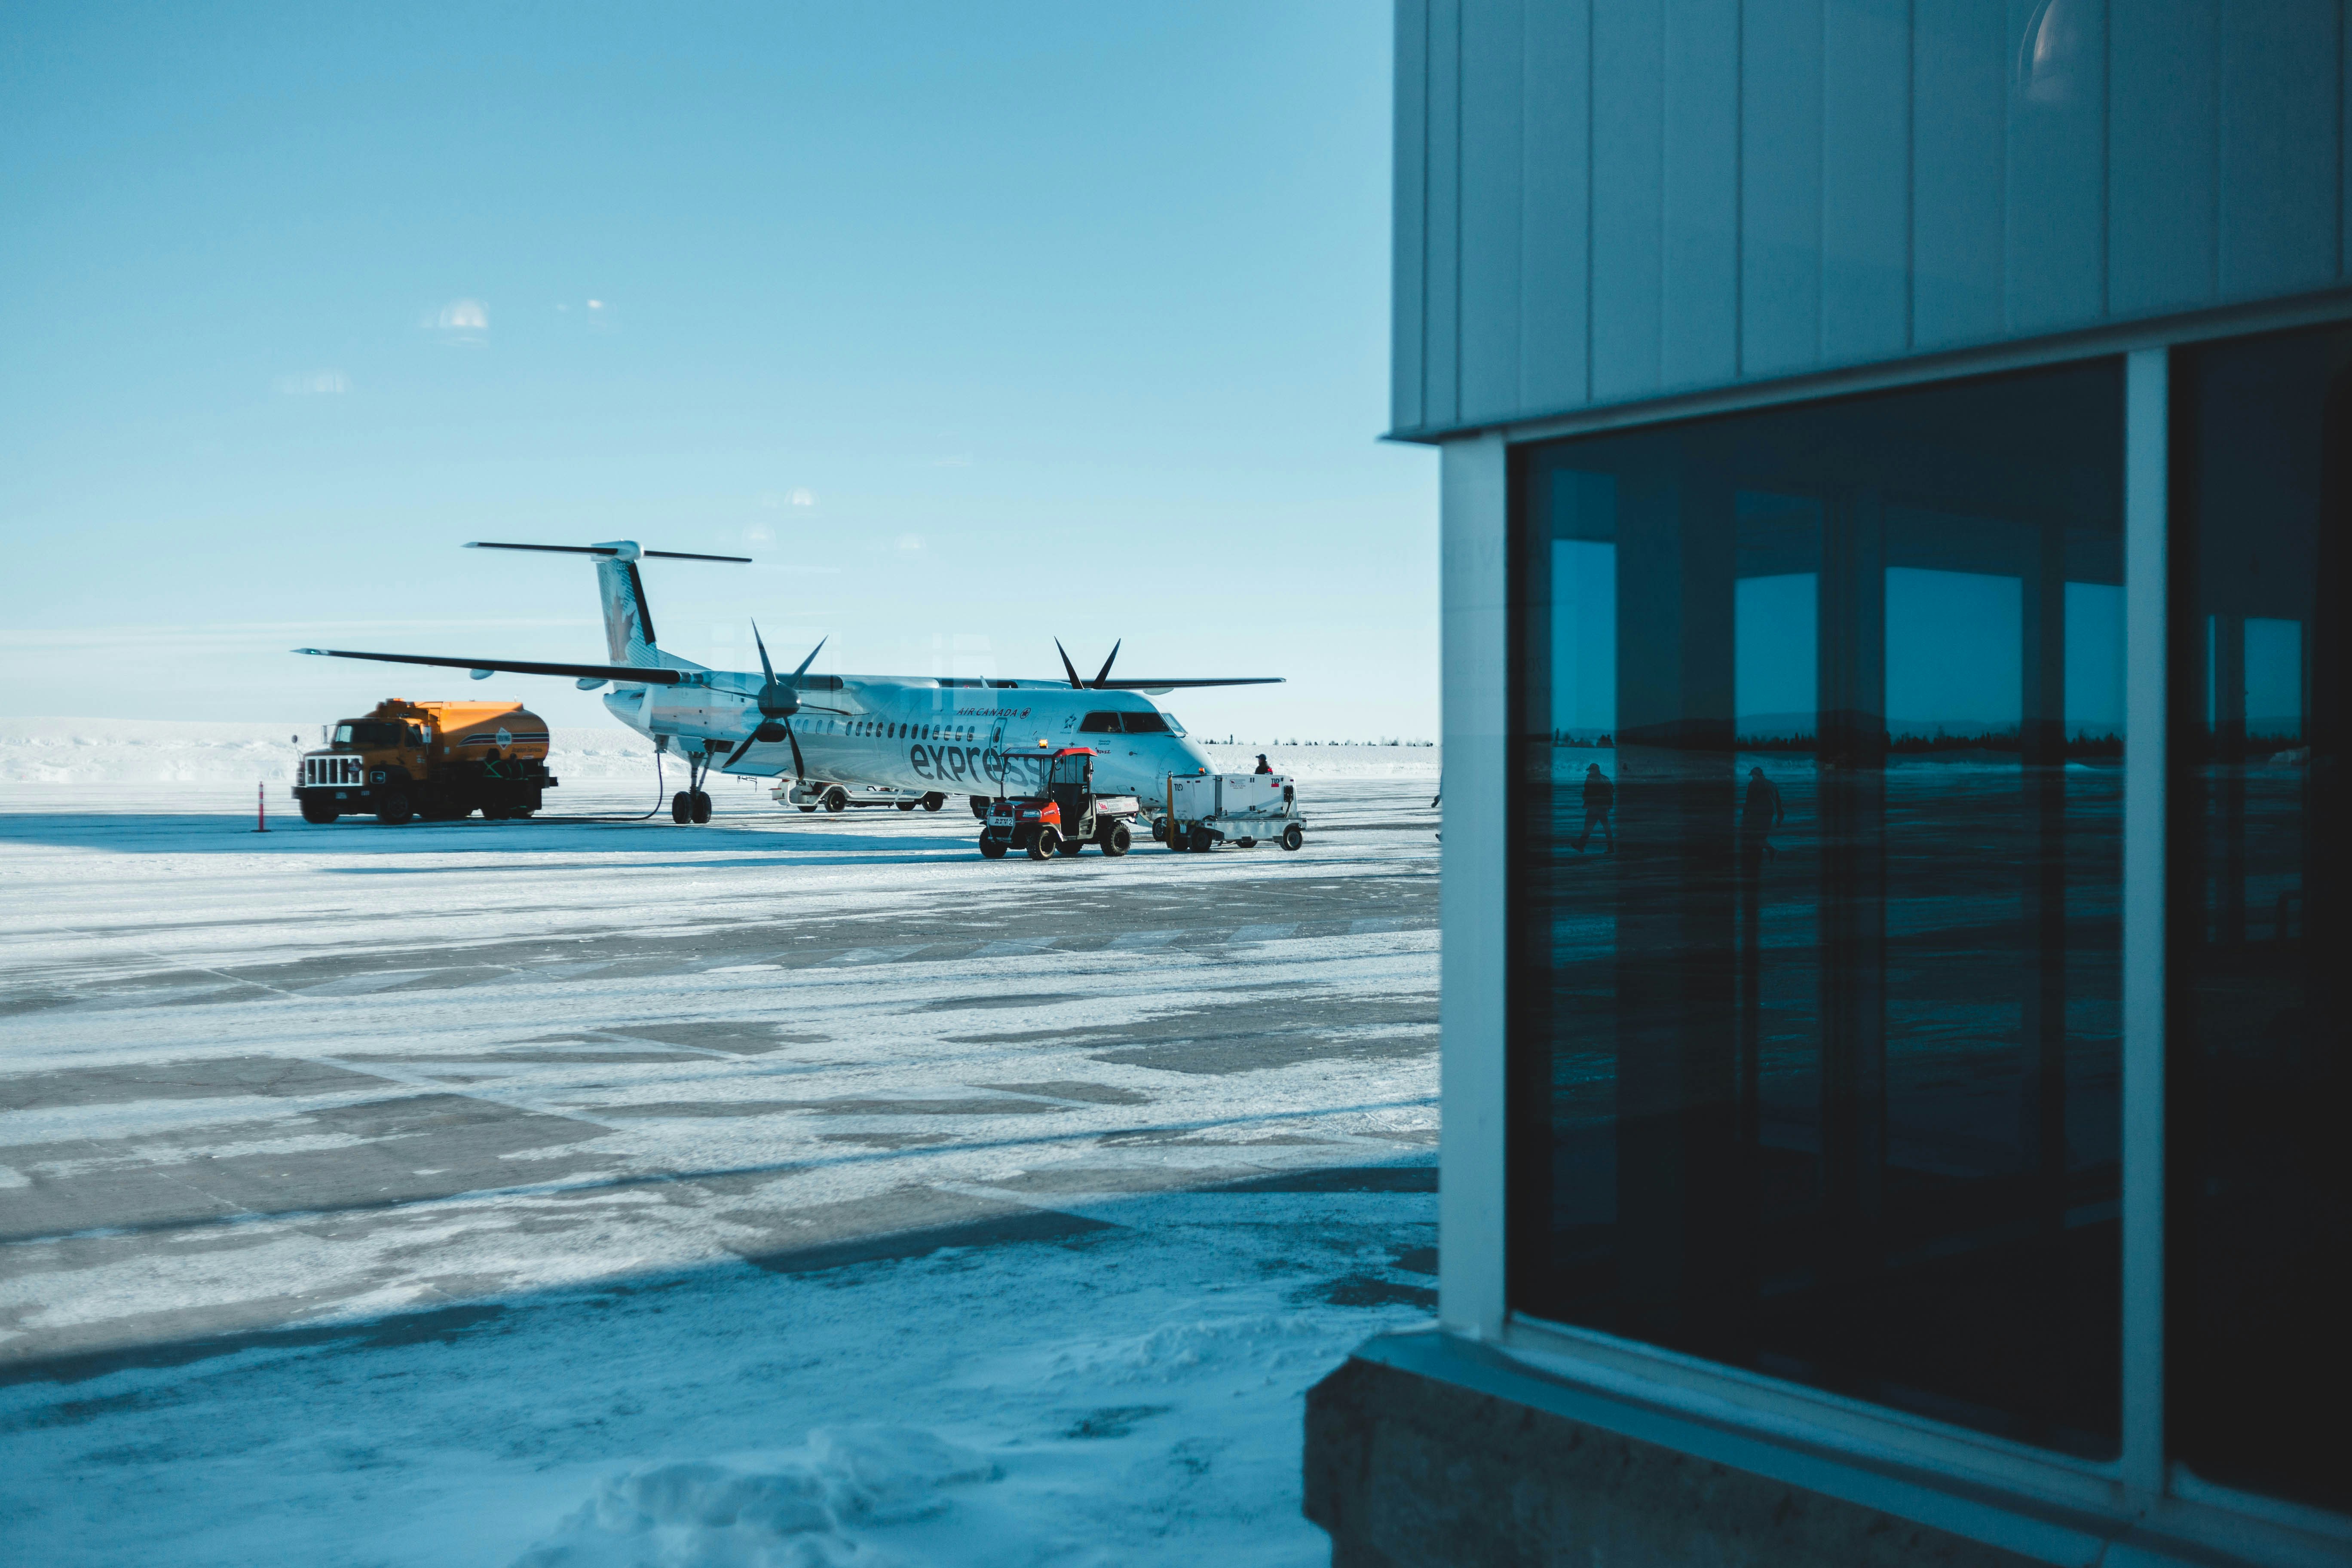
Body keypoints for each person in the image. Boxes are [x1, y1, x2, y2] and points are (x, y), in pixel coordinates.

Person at [1740, 766, 1784, 871]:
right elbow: (1779, 803)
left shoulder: (1753, 784)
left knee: (1755, 837)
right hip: (1770, 814)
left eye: (1753, 776)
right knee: (1759, 837)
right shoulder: (1773, 784)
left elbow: (1749, 801)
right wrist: (1780, 818)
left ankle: (1771, 851)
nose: (1752, 778)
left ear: (1756, 775)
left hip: (1758, 815)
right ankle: (1770, 852)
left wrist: (1745, 816)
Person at [1571, 763, 1614, 852]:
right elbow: (1612, 791)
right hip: (1603, 808)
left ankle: (1581, 846)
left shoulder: (1591, 779)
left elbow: (1589, 793)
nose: (1590, 771)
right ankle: (1611, 848)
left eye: (1591, 770)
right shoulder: (1605, 778)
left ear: (1595, 770)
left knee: (1588, 828)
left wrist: (1584, 795)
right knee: (1607, 828)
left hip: (1594, 808)